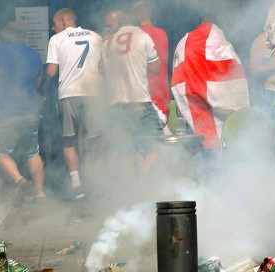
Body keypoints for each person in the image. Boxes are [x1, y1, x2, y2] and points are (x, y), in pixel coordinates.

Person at [0, 21, 45, 206]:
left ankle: (18, 179)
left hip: (6, 112)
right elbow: (38, 82)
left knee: (0, 150)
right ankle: (40, 193)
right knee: (33, 152)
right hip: (30, 110)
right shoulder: (35, 55)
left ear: (6, 37)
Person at [171, 8, 250, 149]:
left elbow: (178, 86)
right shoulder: (216, 40)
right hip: (219, 141)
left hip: (192, 127)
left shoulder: (182, 42)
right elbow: (235, 90)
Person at [46, 8, 102, 200]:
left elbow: (52, 71)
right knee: (92, 139)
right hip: (93, 93)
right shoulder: (96, 37)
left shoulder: (57, 39)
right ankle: (96, 182)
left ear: (63, 21)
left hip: (69, 94)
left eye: (54, 24)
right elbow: (103, 67)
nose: (53, 28)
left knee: (68, 140)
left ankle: (77, 186)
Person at [101, 11, 162, 174]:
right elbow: (156, 68)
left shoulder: (106, 43)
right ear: (137, 23)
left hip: (115, 107)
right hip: (139, 104)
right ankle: (144, 181)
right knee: (156, 147)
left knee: (127, 151)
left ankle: (129, 190)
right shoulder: (142, 36)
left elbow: (101, 70)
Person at [132, 1, 170, 129]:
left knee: (148, 143)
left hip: (145, 99)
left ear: (135, 15)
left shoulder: (135, 37)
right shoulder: (162, 33)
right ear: (150, 12)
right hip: (163, 97)